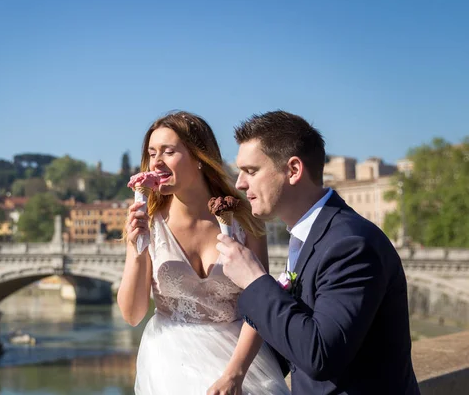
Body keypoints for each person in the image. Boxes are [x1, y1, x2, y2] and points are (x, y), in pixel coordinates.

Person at [216, 110, 421, 394]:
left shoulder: (350, 244)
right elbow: (294, 337)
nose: (240, 183)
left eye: (251, 171)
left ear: (294, 170)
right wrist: (232, 371)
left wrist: (253, 280)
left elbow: (320, 355)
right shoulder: (309, 236)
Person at [117, 111, 290, 395]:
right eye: (151, 153)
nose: (156, 162)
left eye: (168, 151)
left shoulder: (244, 220)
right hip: (169, 363)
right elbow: (133, 315)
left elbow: (259, 306)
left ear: (199, 157)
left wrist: (235, 374)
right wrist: (136, 249)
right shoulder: (147, 221)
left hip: (240, 362)